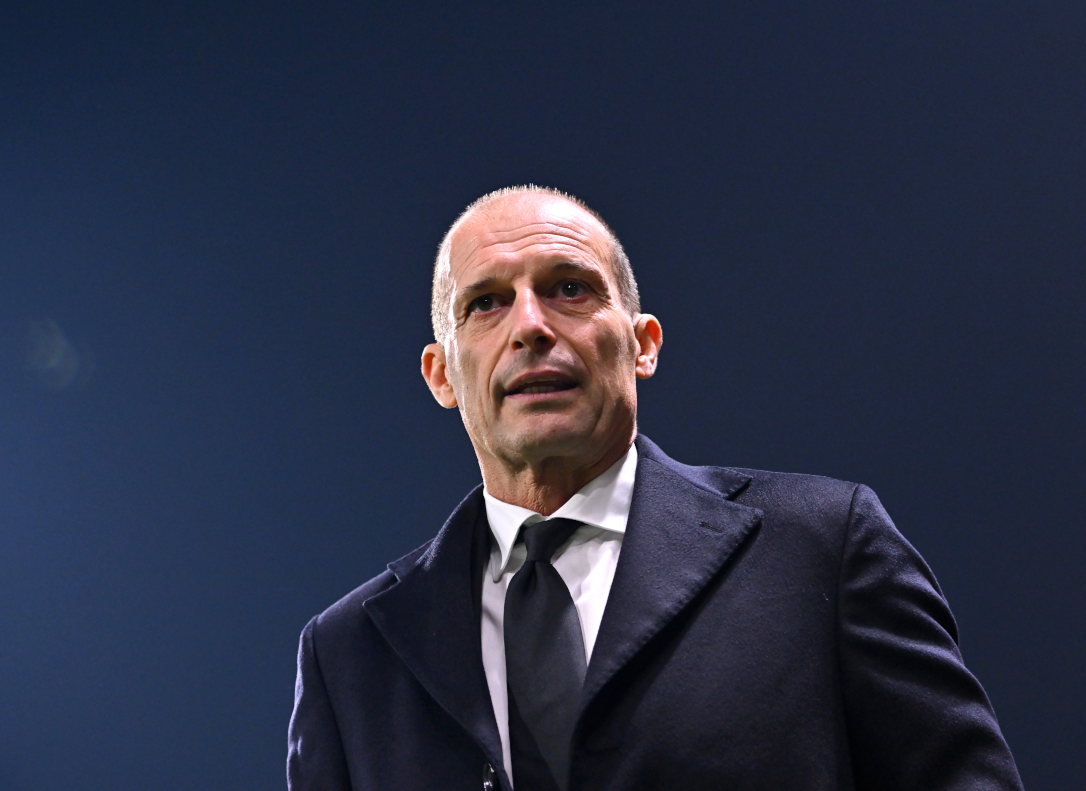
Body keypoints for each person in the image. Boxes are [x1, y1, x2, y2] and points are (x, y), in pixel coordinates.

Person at [287, 186, 1024, 791]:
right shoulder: (348, 655)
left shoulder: (821, 549)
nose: (531, 326)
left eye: (569, 289)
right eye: (486, 303)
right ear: (441, 374)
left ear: (642, 345)